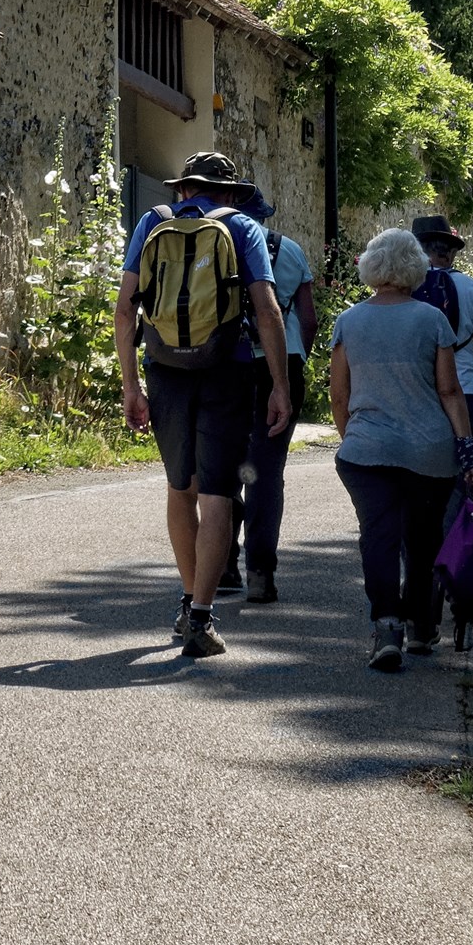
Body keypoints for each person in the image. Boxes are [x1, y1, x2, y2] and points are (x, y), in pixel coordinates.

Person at [116, 151, 292, 659]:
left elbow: (125, 309)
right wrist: (279, 384)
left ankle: (188, 598)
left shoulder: (152, 222)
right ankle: (200, 618)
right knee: (218, 492)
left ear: (184, 189)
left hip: (165, 371)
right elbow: (266, 309)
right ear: (232, 193)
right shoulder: (243, 229)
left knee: (179, 487)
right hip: (227, 369)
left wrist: (131, 385)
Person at [328, 225, 473, 673]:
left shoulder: (349, 321)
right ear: (414, 269)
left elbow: (339, 395)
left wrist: (352, 437)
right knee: (422, 539)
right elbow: (451, 392)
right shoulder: (431, 319)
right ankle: (420, 628)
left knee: (378, 536)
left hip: (366, 450)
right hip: (428, 451)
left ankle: (386, 627)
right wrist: (467, 449)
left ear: (371, 267)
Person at [226, 187, 314, 605]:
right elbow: (308, 318)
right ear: (263, 215)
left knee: (225, 462)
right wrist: (294, 363)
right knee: (265, 469)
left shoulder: (218, 239)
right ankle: (260, 573)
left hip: (228, 362)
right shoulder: (290, 249)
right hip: (283, 362)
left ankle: (222, 563)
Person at [412, 215, 473, 476]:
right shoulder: (469, 288)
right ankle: (464, 516)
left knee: (422, 478)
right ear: (451, 253)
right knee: (466, 475)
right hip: (465, 392)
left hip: (417, 395)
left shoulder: (401, 289)